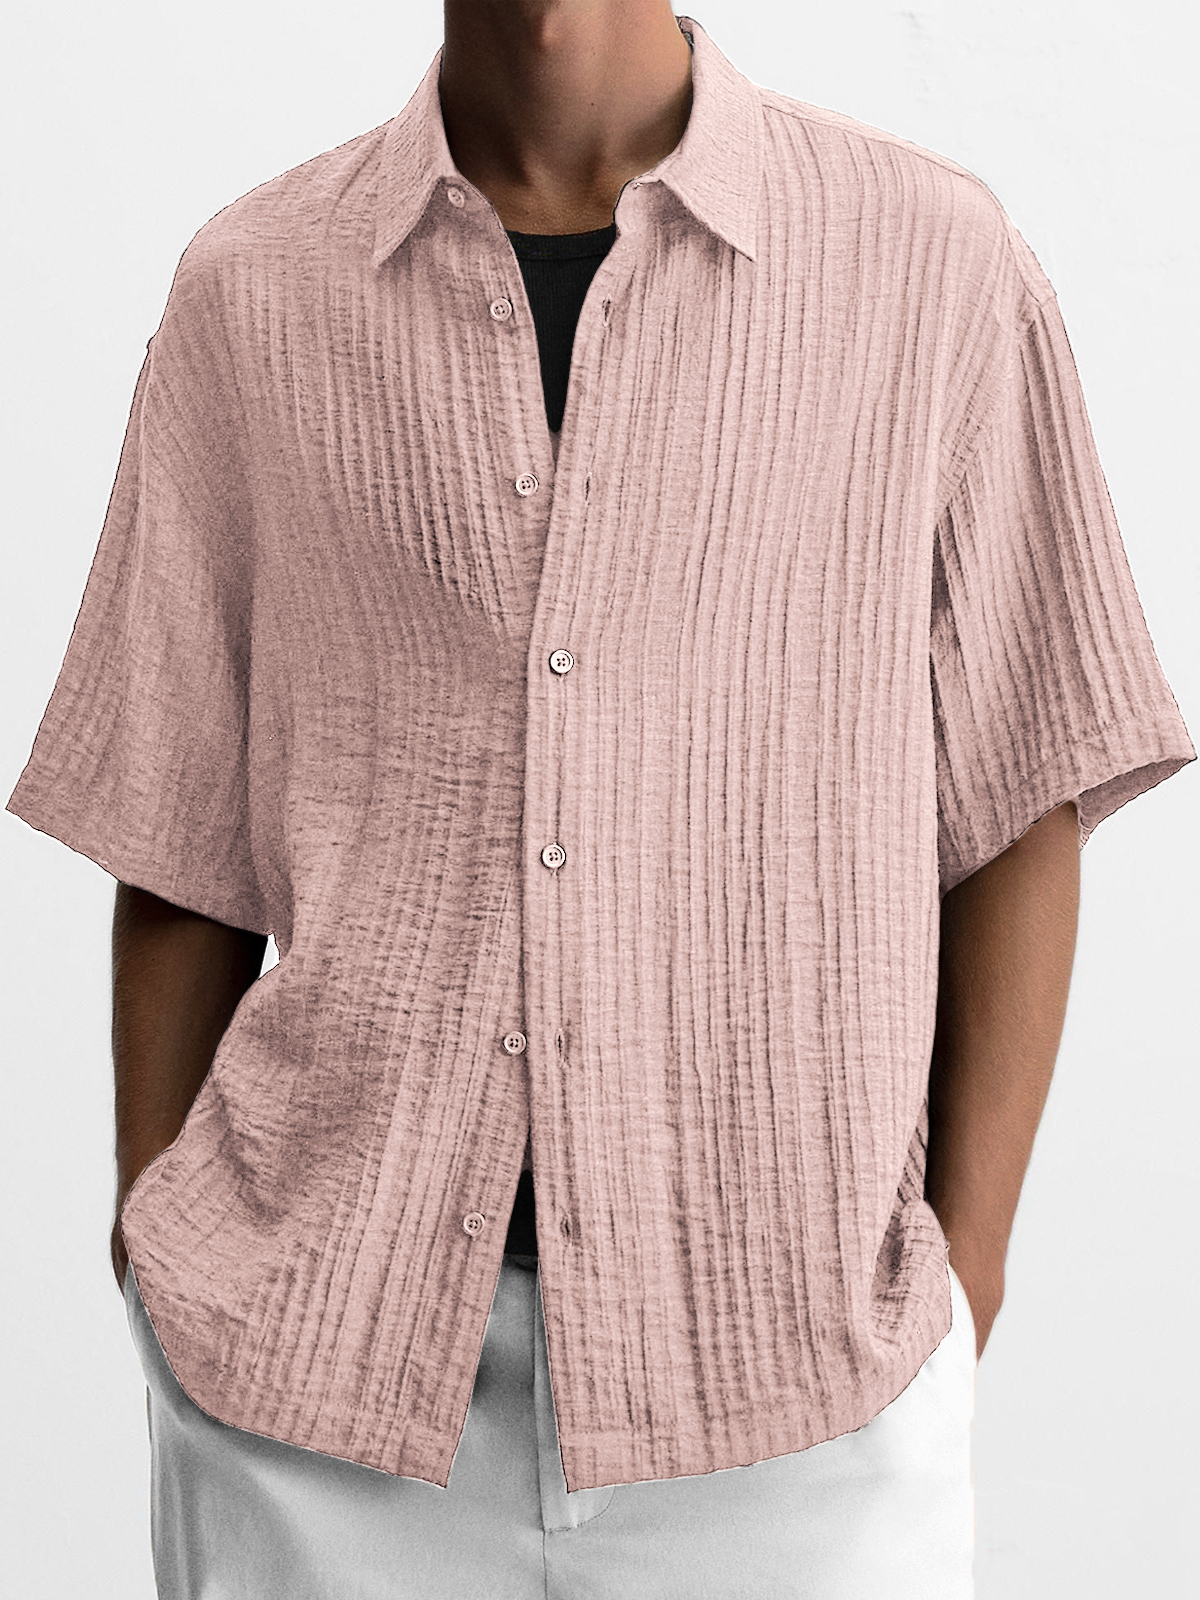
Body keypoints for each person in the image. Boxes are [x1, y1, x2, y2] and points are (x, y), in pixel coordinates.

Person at [6, 5, 1194, 1597]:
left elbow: (1023, 787)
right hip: (313, 1404)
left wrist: (959, 1292)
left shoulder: (932, 264)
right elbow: (177, 827)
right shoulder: (255, 288)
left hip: (793, 1400)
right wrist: (156, 1251)